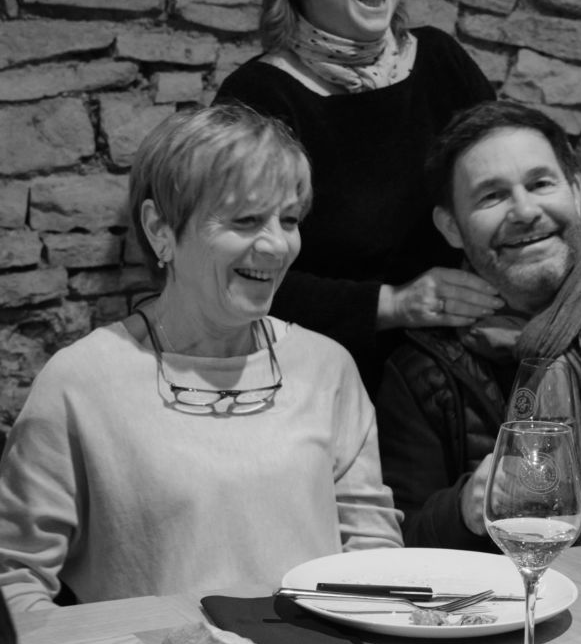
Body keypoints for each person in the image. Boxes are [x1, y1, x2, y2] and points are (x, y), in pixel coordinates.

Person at [213, 0, 581, 396]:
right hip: (327, 388)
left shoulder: (440, 61)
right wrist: (393, 304)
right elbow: (232, 272)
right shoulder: (257, 100)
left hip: (469, 380)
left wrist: (567, 244)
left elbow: (508, 187)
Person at [0, 104, 402, 612]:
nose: (277, 246)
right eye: (246, 220)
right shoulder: (80, 382)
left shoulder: (328, 368)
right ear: (160, 229)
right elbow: (13, 581)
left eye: (289, 220)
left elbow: (373, 556)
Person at [376, 100, 581, 549]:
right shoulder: (422, 370)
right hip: (503, 591)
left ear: (575, 194)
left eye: (540, 184)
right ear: (451, 227)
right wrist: (462, 508)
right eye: (492, 196)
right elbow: (400, 536)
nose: (523, 210)